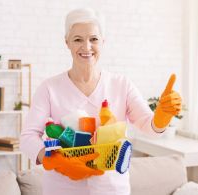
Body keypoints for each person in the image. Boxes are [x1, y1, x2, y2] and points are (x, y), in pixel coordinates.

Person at [20, 8, 182, 195]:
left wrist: (163, 116)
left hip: (112, 189)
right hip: (62, 188)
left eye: (94, 39)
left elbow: (149, 127)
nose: (86, 47)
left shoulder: (121, 85)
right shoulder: (49, 88)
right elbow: (28, 136)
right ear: (67, 43)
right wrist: (52, 159)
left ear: (103, 41)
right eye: (78, 39)